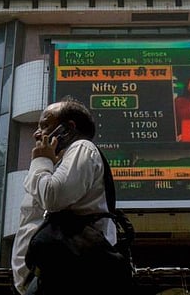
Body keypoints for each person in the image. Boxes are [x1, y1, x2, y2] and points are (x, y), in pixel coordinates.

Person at [11, 97, 115, 295]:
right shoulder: (53, 165)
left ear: (68, 128)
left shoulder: (82, 148)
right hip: (41, 279)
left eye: (45, 125)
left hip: (66, 276)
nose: (37, 133)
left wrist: (41, 160)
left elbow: (53, 197)